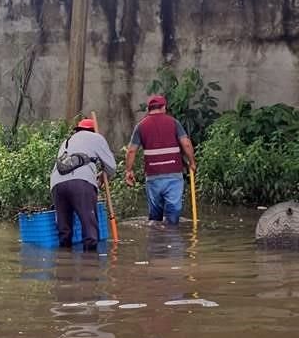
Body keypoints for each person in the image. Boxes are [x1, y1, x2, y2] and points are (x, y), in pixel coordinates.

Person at [124, 94, 196, 225]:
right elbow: (186, 143)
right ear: (164, 107)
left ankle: (156, 240)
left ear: (148, 109)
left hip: (153, 176)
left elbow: (131, 150)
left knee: (155, 216)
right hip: (174, 174)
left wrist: (128, 171)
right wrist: (192, 163)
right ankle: (172, 238)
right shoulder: (174, 122)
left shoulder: (141, 126)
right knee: (173, 212)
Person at [50, 118, 116, 250]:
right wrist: (102, 179)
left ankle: (63, 262)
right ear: (92, 130)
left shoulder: (66, 142)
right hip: (81, 183)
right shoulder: (96, 138)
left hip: (56, 184)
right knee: (89, 228)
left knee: (64, 231)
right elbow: (111, 167)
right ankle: (90, 265)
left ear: (77, 130)